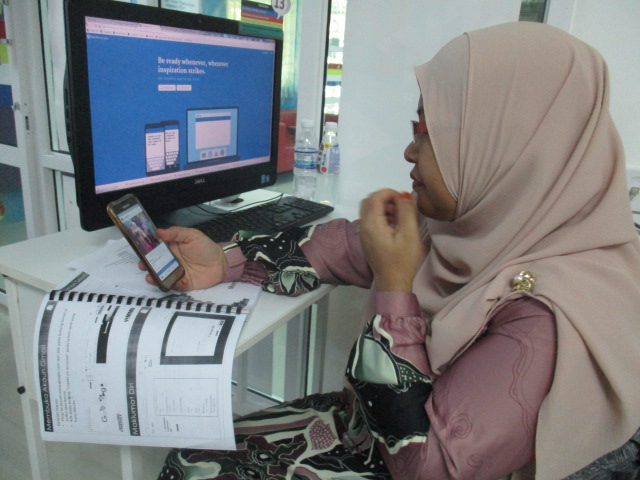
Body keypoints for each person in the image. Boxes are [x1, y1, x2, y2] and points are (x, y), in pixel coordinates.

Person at [150, 22, 640, 479]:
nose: (409, 151)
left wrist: (394, 285)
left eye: (431, 135)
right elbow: (343, 246)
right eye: (416, 129)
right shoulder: (485, 222)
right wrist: (226, 259)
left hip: (411, 455)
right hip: (373, 425)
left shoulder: (551, 315)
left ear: (509, 147)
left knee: (194, 468)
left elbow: (427, 465)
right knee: (191, 456)